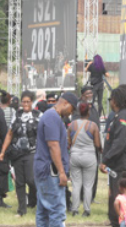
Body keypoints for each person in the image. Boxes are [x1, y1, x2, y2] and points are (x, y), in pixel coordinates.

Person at [34, 92, 78, 227]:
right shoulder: (52, 117)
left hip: (46, 169)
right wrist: (62, 173)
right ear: (66, 103)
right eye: (72, 109)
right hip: (51, 171)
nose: (71, 113)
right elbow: (53, 146)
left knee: (44, 211)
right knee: (56, 210)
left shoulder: (51, 116)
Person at [102, 88, 126, 227]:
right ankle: (115, 223)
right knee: (116, 197)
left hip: (123, 166)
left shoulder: (124, 117)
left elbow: (120, 142)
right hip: (119, 165)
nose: (110, 102)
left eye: (111, 99)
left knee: (122, 200)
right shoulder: (121, 115)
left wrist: (105, 160)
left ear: (116, 100)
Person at [0, 90, 40, 217]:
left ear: (32, 102)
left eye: (28, 101)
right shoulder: (17, 115)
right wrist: (3, 151)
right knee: (20, 182)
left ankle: (37, 201)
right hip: (17, 153)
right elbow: (9, 134)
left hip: (32, 153)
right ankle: (21, 210)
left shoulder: (39, 115)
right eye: (23, 101)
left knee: (31, 180)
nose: (25, 104)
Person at [68, 101, 102, 218]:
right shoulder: (93, 126)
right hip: (89, 156)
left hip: (75, 156)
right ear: (88, 112)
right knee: (88, 185)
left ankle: (75, 209)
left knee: (76, 184)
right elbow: (97, 144)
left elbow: (68, 144)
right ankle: (86, 210)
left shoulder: (72, 125)